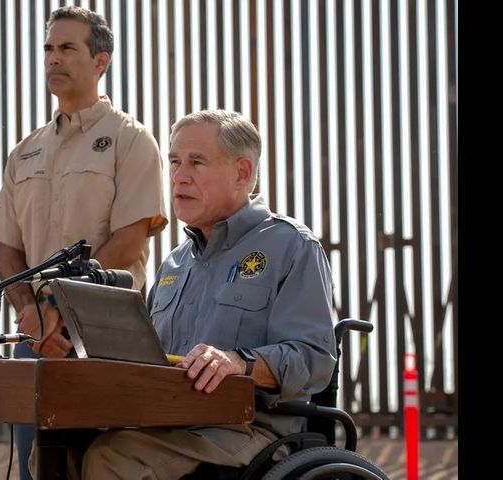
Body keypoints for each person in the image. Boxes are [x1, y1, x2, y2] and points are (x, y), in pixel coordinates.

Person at [77, 110, 338, 479]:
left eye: (196, 162)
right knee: (58, 447)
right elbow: (149, 361)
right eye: (174, 161)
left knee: (113, 459)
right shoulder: (175, 263)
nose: (179, 176)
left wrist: (238, 362)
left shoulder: (291, 246)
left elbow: (314, 359)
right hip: (168, 419)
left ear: (242, 173)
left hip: (249, 429)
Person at [0, 6, 167, 479]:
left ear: (100, 62)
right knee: (33, 470)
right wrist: (28, 310)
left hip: (104, 340)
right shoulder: (24, 151)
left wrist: (57, 308)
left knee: (98, 468)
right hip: (36, 342)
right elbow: (7, 246)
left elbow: (128, 240)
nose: (53, 58)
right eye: (49, 48)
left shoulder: (131, 140)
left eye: (67, 48)